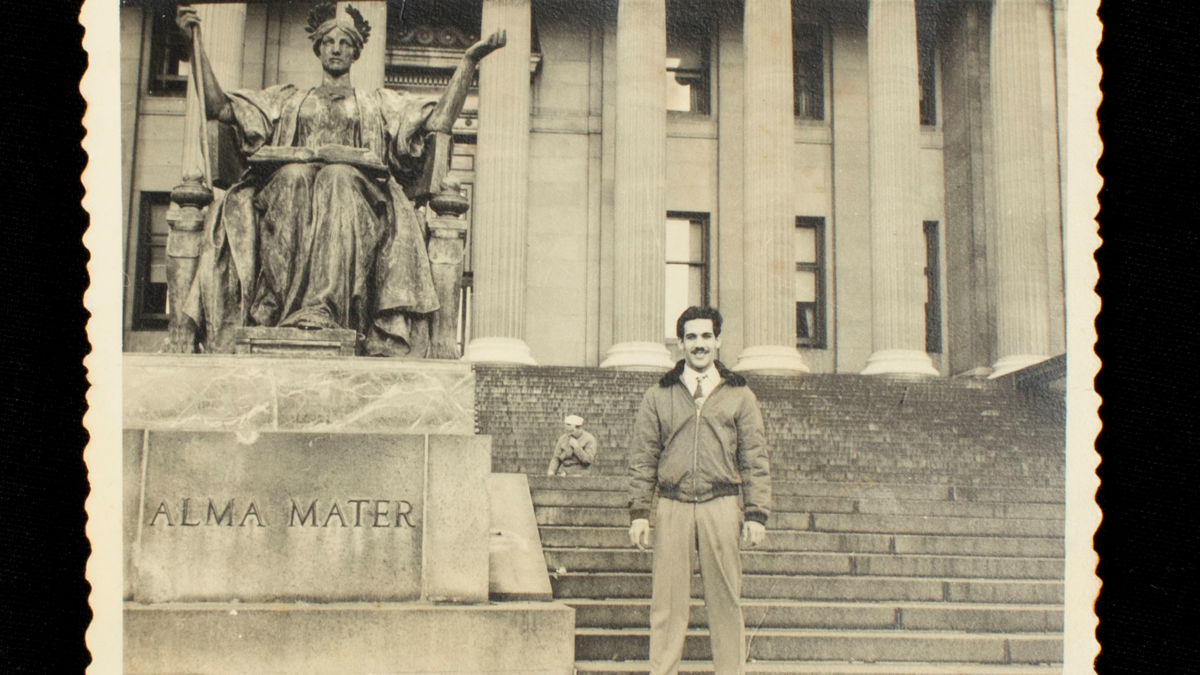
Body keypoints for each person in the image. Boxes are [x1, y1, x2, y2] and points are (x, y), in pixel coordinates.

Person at [174, 3, 505, 356]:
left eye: (344, 43)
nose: (336, 48)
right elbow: (220, 109)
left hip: (358, 195)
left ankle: (324, 308)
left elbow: (437, 121)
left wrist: (469, 61)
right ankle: (273, 307)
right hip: (291, 190)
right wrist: (197, 42)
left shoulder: (377, 104)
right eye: (328, 42)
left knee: (337, 177)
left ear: (356, 52)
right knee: (294, 176)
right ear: (318, 48)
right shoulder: (288, 99)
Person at [628, 306, 771, 675]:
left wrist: (755, 513)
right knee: (668, 603)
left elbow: (754, 457)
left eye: (707, 336)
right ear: (680, 343)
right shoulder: (658, 395)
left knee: (725, 600)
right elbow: (644, 457)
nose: (699, 344)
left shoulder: (740, 395)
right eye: (691, 337)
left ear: (718, 341)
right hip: (672, 504)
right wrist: (639, 512)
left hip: (721, 503)